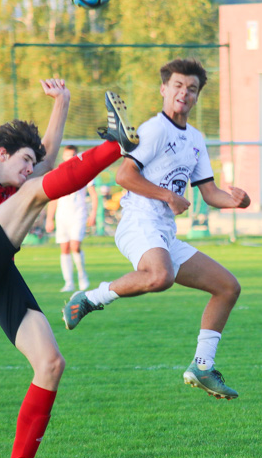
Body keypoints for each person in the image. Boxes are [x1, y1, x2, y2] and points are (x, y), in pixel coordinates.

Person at [0, 80, 139, 458]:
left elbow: (48, 161)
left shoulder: (13, 186)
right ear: (2, 154)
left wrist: (62, 102)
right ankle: (116, 145)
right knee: (33, 192)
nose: (29, 168)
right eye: (23, 159)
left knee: (50, 363)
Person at [62, 58, 251, 400]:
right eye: (178, 85)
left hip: (163, 233)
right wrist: (168, 195)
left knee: (227, 287)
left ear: (197, 96)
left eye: (192, 88)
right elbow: (124, 176)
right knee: (159, 276)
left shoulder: (195, 138)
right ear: (164, 89)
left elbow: (209, 193)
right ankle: (90, 298)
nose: (185, 92)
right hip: (138, 222)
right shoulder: (154, 129)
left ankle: (202, 366)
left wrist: (238, 201)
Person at [45, 145, 99, 292]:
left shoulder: (85, 171)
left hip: (79, 214)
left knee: (75, 245)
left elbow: (93, 194)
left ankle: (82, 276)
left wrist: (93, 213)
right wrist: (50, 218)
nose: (70, 158)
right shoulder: (58, 173)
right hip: (62, 215)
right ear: (63, 156)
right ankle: (69, 282)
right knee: (65, 248)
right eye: (68, 155)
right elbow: (54, 198)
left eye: (73, 155)